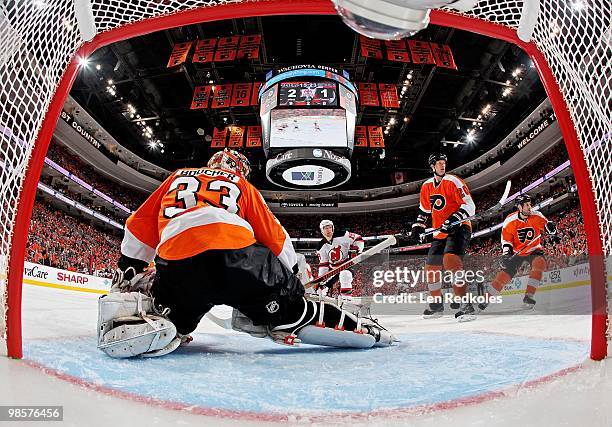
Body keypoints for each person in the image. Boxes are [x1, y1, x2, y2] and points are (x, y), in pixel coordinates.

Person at [98, 149, 395, 358]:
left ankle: (162, 321)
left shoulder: (177, 176)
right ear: (239, 170)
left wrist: (129, 271)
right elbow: (276, 239)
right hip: (241, 260)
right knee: (294, 312)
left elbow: (136, 230)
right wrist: (293, 282)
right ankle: (351, 329)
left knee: (173, 319)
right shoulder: (241, 184)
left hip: (180, 264)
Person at [410, 153, 476, 320]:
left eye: (443, 163)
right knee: (431, 267)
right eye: (438, 163)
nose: (442, 166)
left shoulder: (454, 181)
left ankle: (466, 304)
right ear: (432, 167)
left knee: (450, 260)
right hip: (440, 232)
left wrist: (454, 218)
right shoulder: (426, 186)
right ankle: (437, 305)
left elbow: (470, 205)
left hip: (459, 227)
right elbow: (424, 211)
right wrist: (418, 227)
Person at [480, 194, 559, 310]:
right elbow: (506, 240)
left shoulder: (536, 216)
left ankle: (529, 296)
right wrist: (507, 254)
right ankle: (486, 299)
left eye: (530, 204)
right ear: (519, 207)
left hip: (534, 249)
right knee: (504, 275)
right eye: (526, 205)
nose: (529, 207)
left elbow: (548, 227)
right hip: (517, 252)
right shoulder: (510, 221)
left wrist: (553, 230)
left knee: (540, 264)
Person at [316, 219, 364, 298]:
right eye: (325, 228)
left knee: (345, 274)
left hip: (347, 264)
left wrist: (357, 249)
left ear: (333, 228)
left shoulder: (343, 235)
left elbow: (358, 238)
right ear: (322, 231)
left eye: (329, 227)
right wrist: (321, 278)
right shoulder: (320, 246)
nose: (328, 230)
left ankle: (346, 300)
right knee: (321, 288)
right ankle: (322, 300)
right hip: (333, 269)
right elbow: (324, 264)